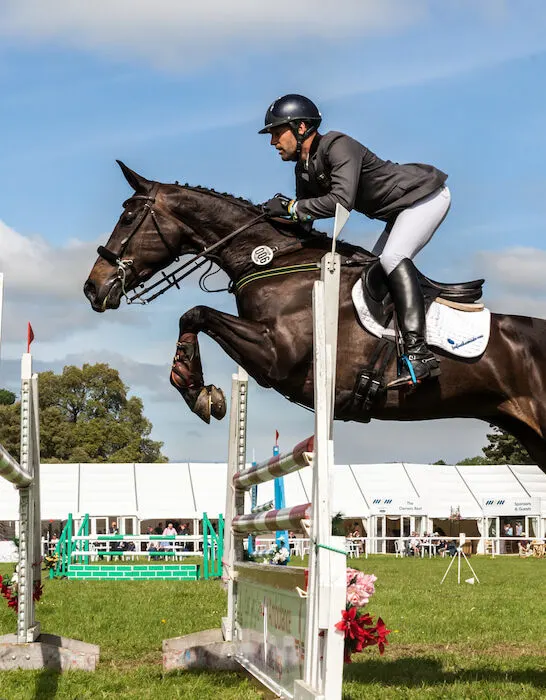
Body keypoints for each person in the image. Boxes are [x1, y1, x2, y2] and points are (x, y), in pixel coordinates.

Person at [259, 94, 450, 388]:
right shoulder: (304, 169)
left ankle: (419, 355)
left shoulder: (338, 145)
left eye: (276, 132)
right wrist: (269, 220)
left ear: (300, 127)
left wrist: (291, 208)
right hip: (400, 212)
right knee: (370, 272)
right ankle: (393, 346)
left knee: (391, 259)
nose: (273, 141)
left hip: (425, 197)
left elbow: (339, 202)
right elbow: (306, 221)